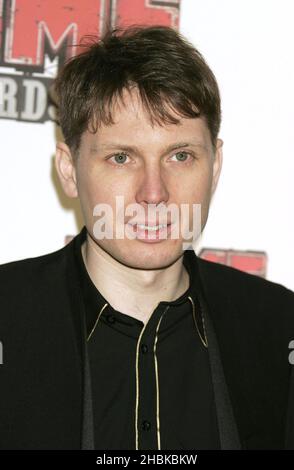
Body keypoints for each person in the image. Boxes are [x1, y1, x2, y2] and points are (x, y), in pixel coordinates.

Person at [0, 25, 294, 451]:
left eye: (180, 156)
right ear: (68, 169)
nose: (153, 193)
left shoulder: (277, 328)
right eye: (121, 157)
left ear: (214, 167)